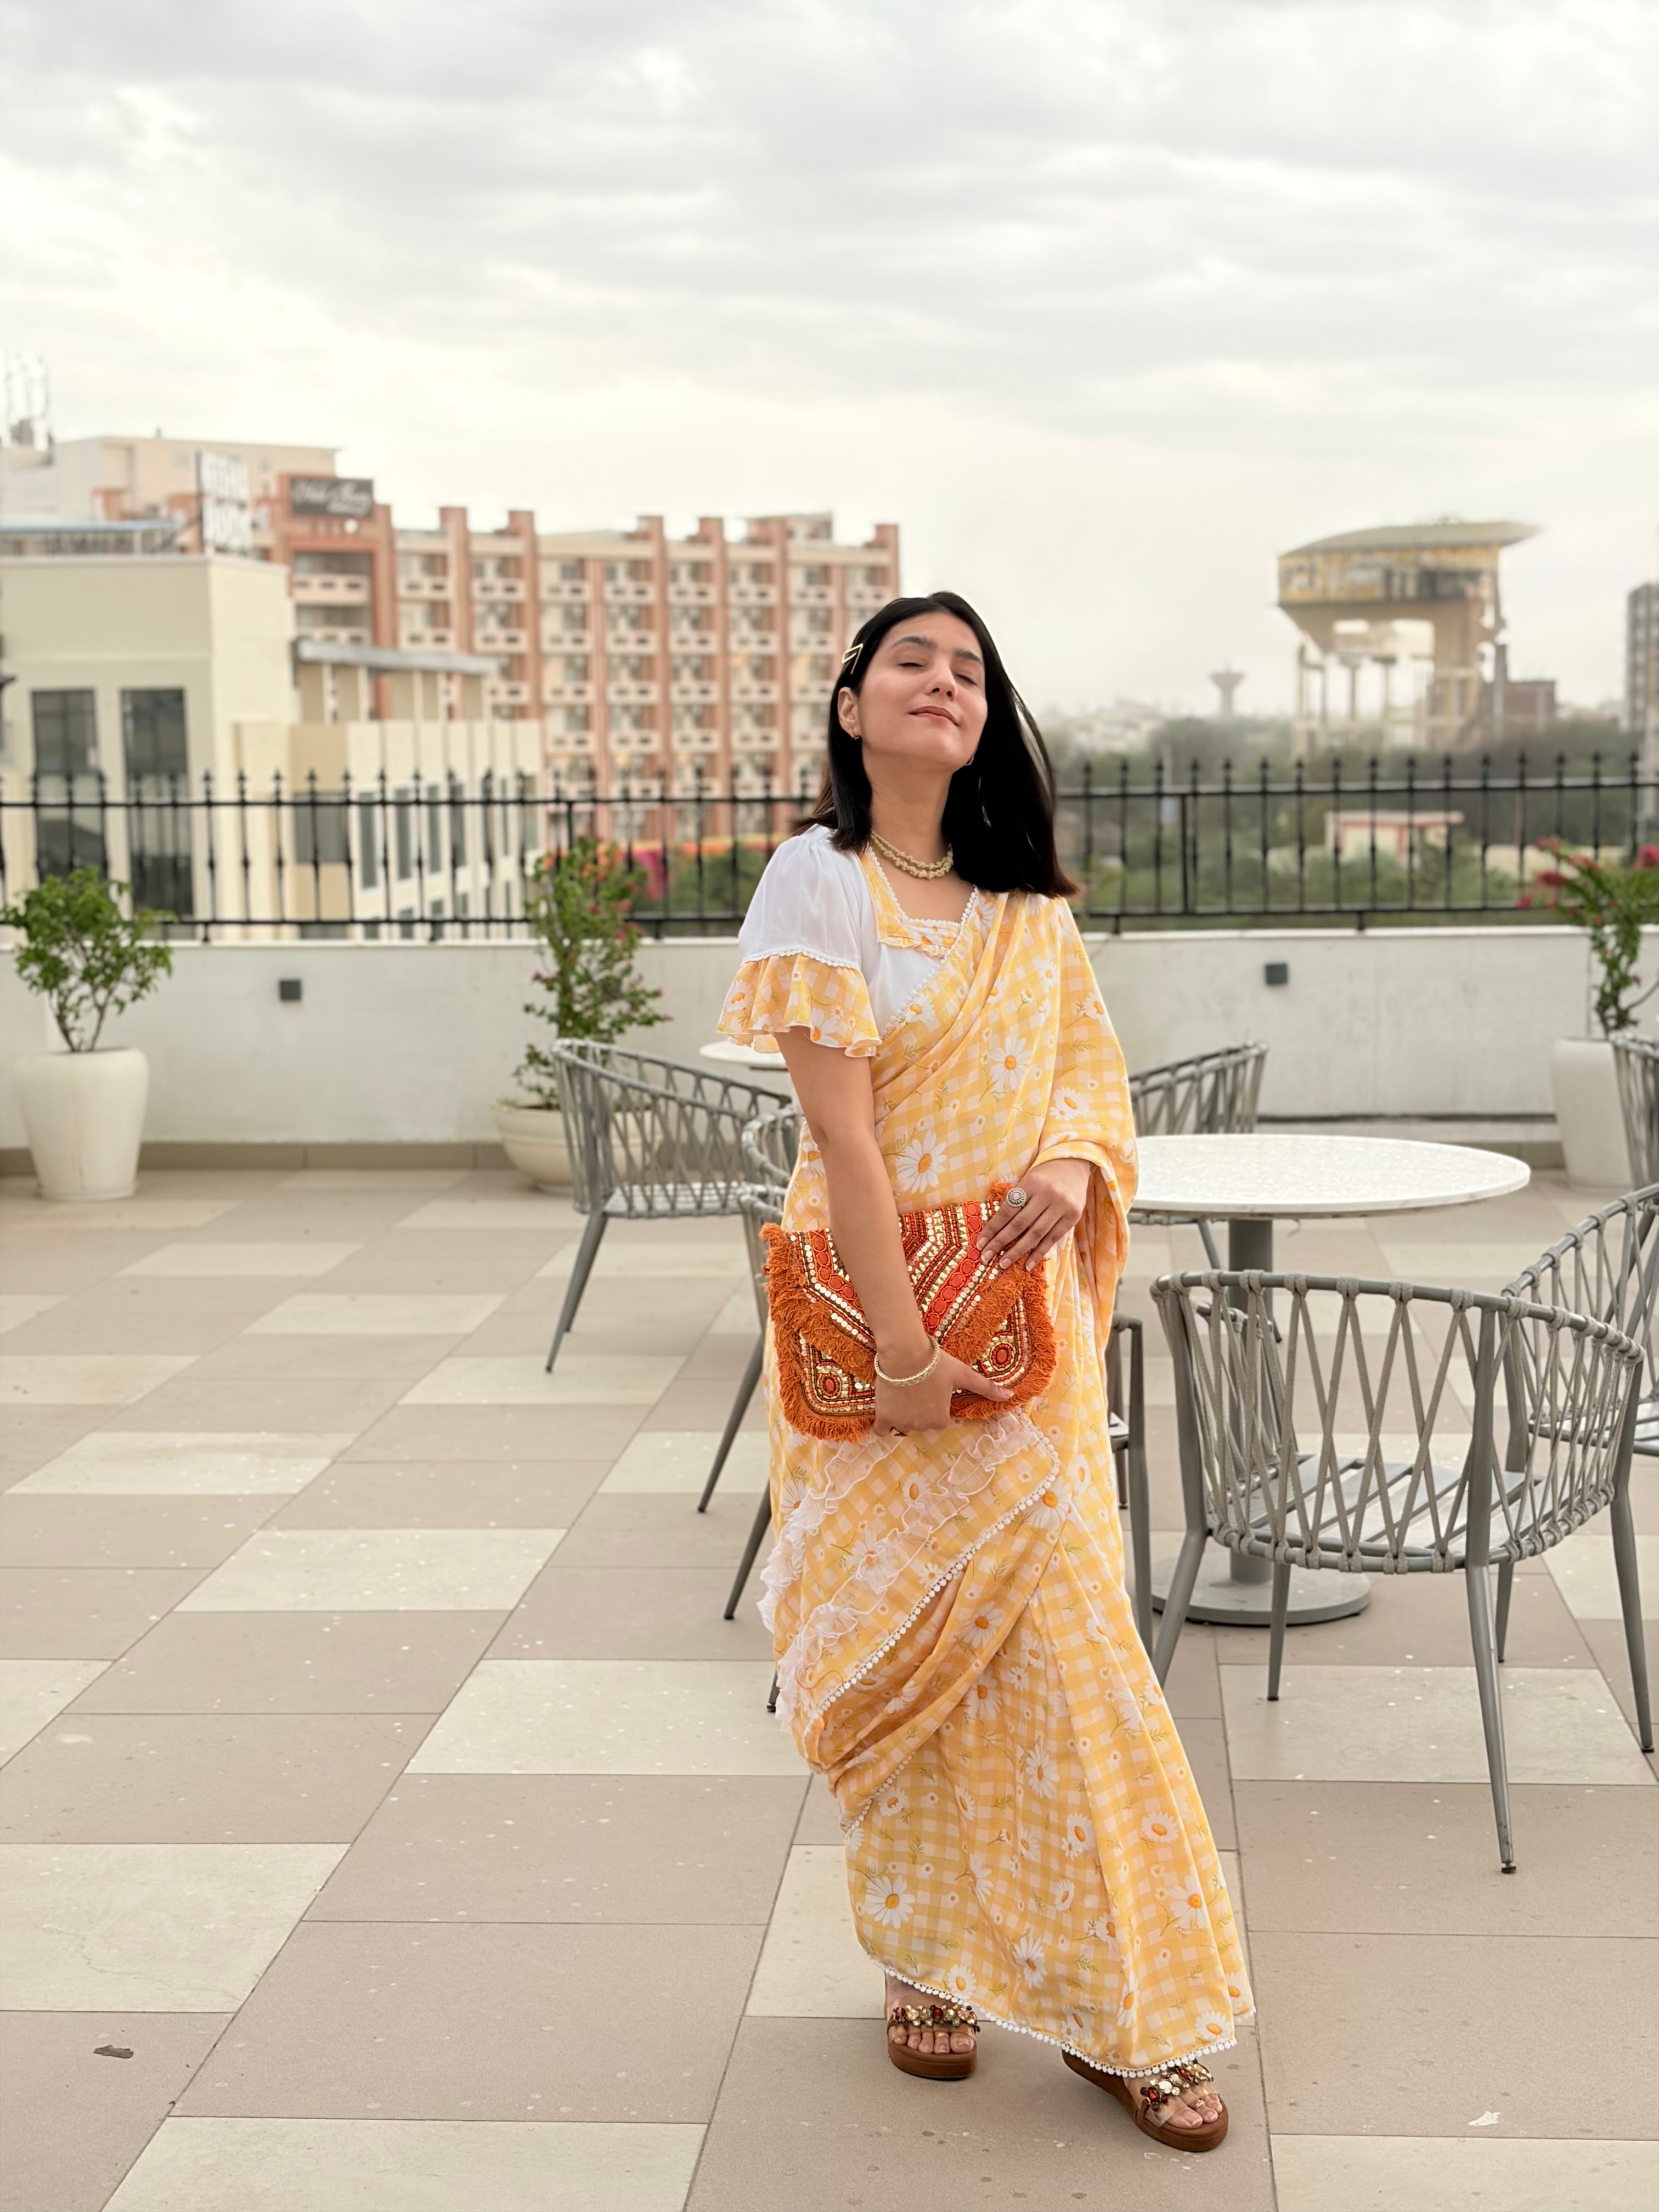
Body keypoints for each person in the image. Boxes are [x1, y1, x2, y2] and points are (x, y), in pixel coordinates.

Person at [718, 592, 1251, 2149]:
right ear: (851, 705)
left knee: (1083, 1666)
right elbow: (849, 1147)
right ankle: (924, 1962)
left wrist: (1082, 1169)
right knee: (912, 1667)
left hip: (1029, 1345)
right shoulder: (817, 882)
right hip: (887, 1335)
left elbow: (1092, 1071)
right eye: (912, 663)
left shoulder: (1024, 901)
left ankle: (1134, 2010)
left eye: (969, 671)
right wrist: (899, 1355)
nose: (944, 686)